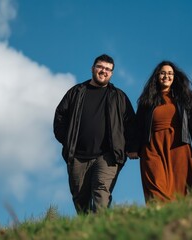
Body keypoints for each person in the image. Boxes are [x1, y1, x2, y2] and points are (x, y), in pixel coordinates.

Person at [53, 54, 138, 214]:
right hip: (77, 156)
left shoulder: (118, 96)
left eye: (108, 69)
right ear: (93, 68)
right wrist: (68, 140)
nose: (103, 71)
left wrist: (133, 147)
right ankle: (86, 231)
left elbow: (130, 123)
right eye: (100, 67)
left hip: (107, 156)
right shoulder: (76, 92)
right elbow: (60, 116)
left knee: (101, 191)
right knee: (80, 199)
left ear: (111, 73)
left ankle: (100, 228)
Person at [136, 60, 192, 203]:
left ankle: (183, 214)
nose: (166, 76)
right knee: (155, 184)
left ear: (174, 77)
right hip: (152, 146)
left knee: (181, 185)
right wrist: (132, 148)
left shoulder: (183, 97)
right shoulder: (146, 100)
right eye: (162, 73)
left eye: (170, 73)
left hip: (178, 144)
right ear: (157, 76)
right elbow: (137, 125)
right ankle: (159, 214)